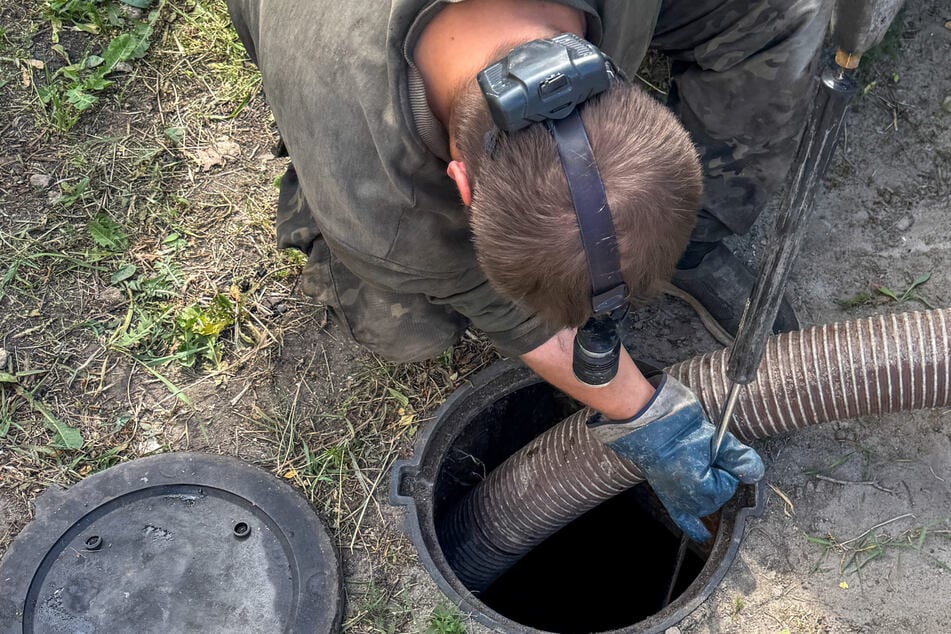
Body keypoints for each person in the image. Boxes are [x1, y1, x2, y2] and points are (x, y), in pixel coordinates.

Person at [225, 0, 828, 541]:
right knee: (405, 328)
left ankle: (673, 250)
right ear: (458, 185)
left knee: (784, 15)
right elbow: (490, 299)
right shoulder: (379, 207)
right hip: (323, 52)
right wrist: (647, 416)